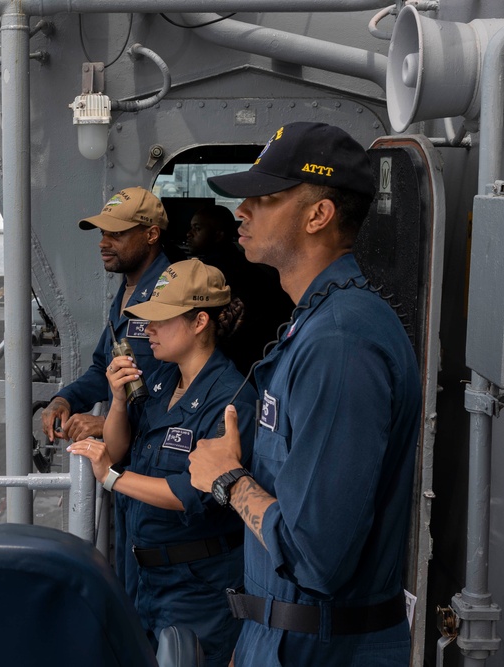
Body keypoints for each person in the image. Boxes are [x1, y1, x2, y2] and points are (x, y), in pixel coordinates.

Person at [188, 122, 422, 666]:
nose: (240, 212)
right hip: (284, 636)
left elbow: (316, 558)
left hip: (321, 649)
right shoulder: (318, 321)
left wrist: (227, 480)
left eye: (263, 199)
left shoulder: (341, 343)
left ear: (318, 215)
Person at [70, 259, 257, 666]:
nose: (148, 329)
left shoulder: (231, 399)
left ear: (199, 322)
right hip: (144, 575)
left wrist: (112, 479)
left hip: (197, 584)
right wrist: (118, 400)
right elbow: (120, 448)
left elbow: (195, 492)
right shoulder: (161, 380)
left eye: (161, 319)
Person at [40, 186, 170, 443]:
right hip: (129, 453)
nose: (103, 243)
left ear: (151, 234)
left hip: (157, 460)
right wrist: (65, 399)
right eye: (103, 233)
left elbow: (183, 391)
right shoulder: (126, 292)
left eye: (117, 234)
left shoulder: (172, 295)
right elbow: (103, 368)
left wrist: (109, 423)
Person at [186, 204, 293, 376]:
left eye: (197, 229)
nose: (189, 234)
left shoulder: (216, 274)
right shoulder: (244, 265)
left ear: (219, 235)